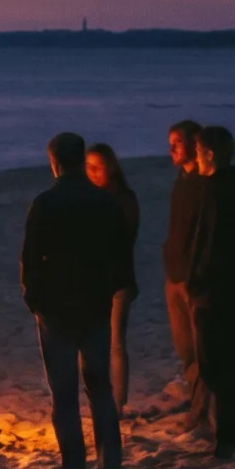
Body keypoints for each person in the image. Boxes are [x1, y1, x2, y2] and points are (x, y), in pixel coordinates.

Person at [21, 131, 134, 469]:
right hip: (95, 304)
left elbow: (30, 259)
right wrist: (114, 287)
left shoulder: (45, 203)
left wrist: (34, 300)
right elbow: (121, 252)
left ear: (54, 163)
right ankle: (110, 465)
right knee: (100, 388)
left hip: (56, 309)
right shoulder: (104, 202)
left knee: (65, 394)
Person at [183, 125, 235, 457]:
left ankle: (230, 438)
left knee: (216, 365)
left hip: (215, 290)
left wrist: (195, 280)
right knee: (227, 362)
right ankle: (232, 435)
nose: (195, 157)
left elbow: (210, 242)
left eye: (198, 152)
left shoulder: (217, 190)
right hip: (234, 288)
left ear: (210, 154)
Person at [86, 142, 141, 411]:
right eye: (88, 167)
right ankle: (99, 398)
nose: (93, 172)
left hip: (118, 280)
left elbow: (124, 240)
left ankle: (118, 404)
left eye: (99, 167)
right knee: (91, 343)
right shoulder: (85, 198)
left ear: (112, 168)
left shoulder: (123, 198)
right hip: (91, 282)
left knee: (116, 342)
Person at [161, 119, 207, 409]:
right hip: (174, 275)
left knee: (203, 350)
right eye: (170, 143)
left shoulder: (206, 183)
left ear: (195, 144)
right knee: (186, 349)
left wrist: (193, 271)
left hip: (194, 277)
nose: (171, 149)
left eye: (177, 143)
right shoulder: (182, 181)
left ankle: (203, 411)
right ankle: (197, 404)